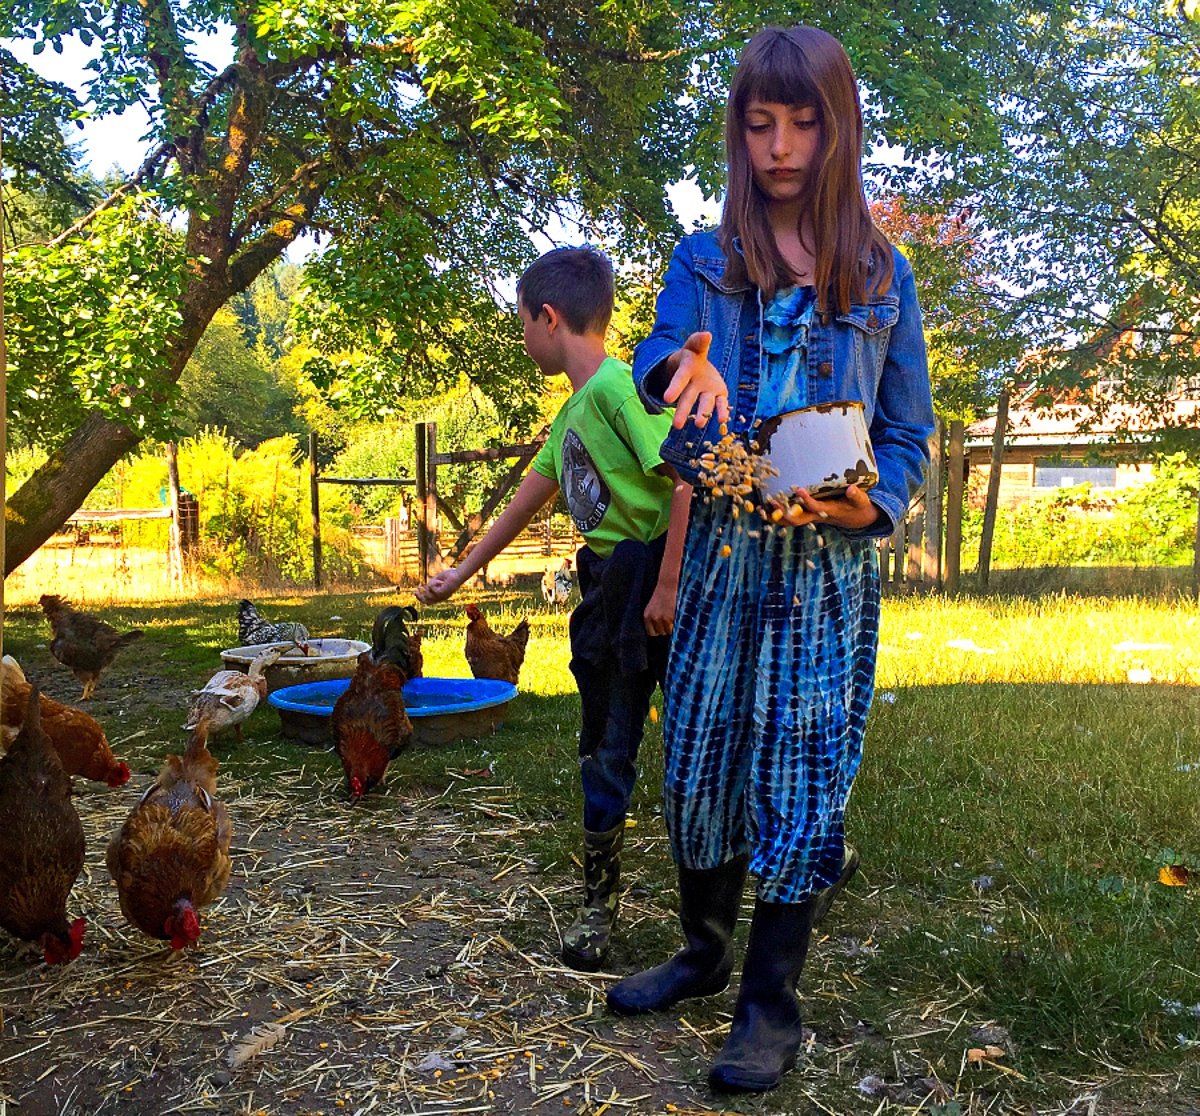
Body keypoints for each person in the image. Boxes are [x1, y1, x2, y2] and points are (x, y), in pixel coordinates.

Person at [604, 26, 935, 1094]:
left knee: (798, 778)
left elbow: (907, 435)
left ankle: (767, 1003)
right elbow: (662, 351)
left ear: (837, 130)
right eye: (760, 124)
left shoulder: (884, 276)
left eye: (803, 122)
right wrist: (673, 378)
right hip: (721, 564)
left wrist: (868, 503)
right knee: (698, 764)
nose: (781, 145)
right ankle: (703, 953)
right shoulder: (705, 261)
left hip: (822, 578)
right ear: (738, 133)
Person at [416, 246, 692, 971]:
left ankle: (810, 851)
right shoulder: (574, 410)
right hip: (607, 589)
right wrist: (461, 573)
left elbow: (686, 475)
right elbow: (522, 505)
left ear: (548, 317)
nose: (523, 338)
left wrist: (666, 586)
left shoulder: (617, 390)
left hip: (653, 589)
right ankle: (598, 910)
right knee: (604, 747)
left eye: (522, 324)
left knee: (704, 741)